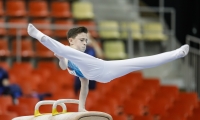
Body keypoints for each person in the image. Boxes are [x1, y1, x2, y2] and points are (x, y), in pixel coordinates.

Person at [27, 24, 189, 111]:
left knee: (141, 61)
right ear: (71, 40)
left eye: (86, 41)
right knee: (63, 52)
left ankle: (177, 53)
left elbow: (83, 84)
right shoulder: (69, 62)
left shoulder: (80, 57)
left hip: (104, 68)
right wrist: (81, 107)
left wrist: (81, 107)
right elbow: (68, 70)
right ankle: (38, 35)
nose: (84, 43)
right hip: (96, 73)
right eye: (81, 40)